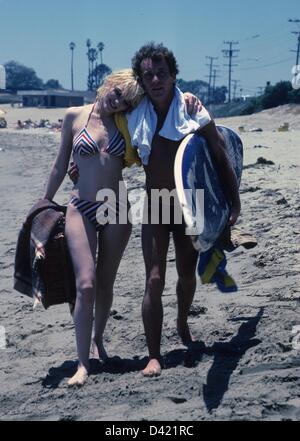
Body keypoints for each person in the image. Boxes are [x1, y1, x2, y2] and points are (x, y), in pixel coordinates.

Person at [44, 69, 200, 386]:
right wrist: (43, 202)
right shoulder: (74, 115)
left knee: (104, 284)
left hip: (115, 207)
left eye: (126, 100)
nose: (118, 101)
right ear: (108, 84)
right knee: (85, 284)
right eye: (117, 93)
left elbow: (162, 129)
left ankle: (99, 338)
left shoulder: (125, 123)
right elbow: (61, 164)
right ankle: (83, 363)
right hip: (82, 206)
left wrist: (186, 99)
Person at [130, 42, 241, 377]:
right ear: (142, 81)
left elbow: (220, 153)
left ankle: (181, 323)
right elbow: (106, 132)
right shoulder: (136, 111)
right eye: (148, 75)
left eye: (161, 73)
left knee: (185, 276)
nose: (155, 80)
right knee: (154, 278)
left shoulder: (191, 108)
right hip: (155, 205)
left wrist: (233, 205)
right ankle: (153, 354)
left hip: (189, 205)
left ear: (173, 74)